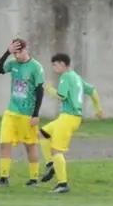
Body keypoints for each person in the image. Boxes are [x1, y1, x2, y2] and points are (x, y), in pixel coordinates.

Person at [39, 53, 104, 194]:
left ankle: (63, 184)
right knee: (42, 133)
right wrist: (98, 108)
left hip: (69, 117)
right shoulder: (76, 77)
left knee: (57, 150)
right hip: (70, 118)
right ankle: (51, 164)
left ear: (62, 64)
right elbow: (92, 90)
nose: (54, 68)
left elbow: (61, 96)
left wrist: (48, 89)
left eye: (55, 65)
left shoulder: (66, 77)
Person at [0, 38, 46, 188]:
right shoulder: (13, 64)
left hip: (27, 113)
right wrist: (6, 53)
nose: (17, 56)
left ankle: (34, 178)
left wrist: (35, 114)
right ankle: (4, 177)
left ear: (26, 49)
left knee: (30, 146)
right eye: (15, 53)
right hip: (12, 111)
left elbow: (39, 91)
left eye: (20, 52)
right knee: (5, 143)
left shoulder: (36, 67)